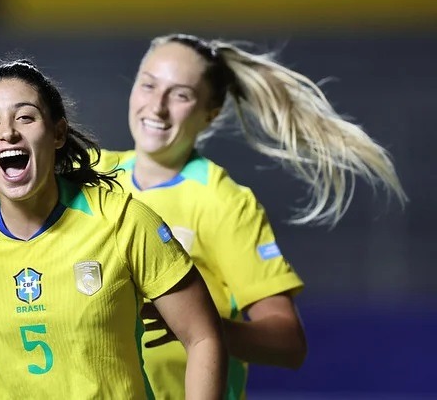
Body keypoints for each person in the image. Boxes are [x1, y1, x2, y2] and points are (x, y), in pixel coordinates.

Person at [95, 33, 408, 399]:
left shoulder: (224, 202)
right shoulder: (91, 176)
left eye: (181, 95)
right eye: (148, 85)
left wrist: (195, 324)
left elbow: (288, 342)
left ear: (210, 114)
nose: (157, 106)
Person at [0, 58, 227, 399]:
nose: (8, 132)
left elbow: (203, 337)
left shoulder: (123, 221)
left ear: (58, 133)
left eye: (25, 117)